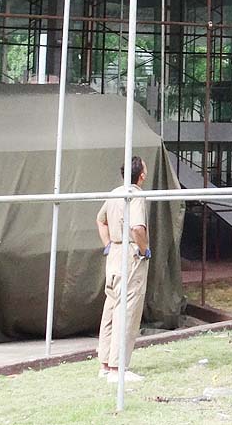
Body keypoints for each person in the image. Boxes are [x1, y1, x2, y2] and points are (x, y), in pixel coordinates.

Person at [96, 156, 152, 382]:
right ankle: (118, 369)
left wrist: (108, 244)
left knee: (111, 308)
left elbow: (100, 220)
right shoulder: (135, 195)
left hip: (114, 256)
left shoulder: (113, 193)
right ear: (142, 175)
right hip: (130, 254)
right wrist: (144, 248)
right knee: (127, 309)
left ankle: (105, 363)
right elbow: (137, 227)